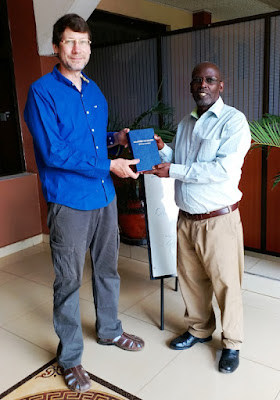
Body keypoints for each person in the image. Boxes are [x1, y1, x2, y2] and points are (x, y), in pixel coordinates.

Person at [24, 13, 144, 393]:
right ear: (57, 46)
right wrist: (110, 163)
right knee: (69, 280)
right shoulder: (42, 91)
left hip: (103, 196)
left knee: (108, 270)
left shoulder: (94, 91)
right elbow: (54, 151)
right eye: (70, 42)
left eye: (84, 42)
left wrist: (117, 138)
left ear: (90, 47)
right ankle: (71, 357)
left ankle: (109, 330)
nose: (78, 49)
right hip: (70, 202)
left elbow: (89, 141)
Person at [147, 62, 251, 373]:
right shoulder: (185, 123)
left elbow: (223, 169)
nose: (202, 85)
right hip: (186, 219)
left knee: (226, 283)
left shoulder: (233, 122)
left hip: (220, 220)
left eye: (209, 80)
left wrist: (174, 169)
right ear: (191, 87)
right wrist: (163, 149)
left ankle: (231, 343)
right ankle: (199, 329)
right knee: (192, 281)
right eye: (197, 80)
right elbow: (179, 160)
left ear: (222, 85)